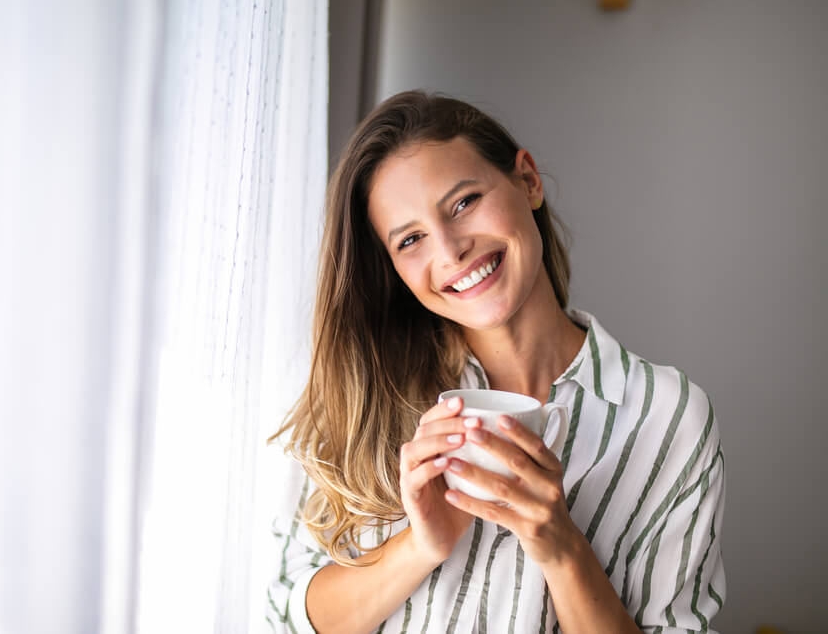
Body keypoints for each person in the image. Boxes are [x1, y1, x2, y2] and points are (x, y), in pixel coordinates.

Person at [266, 91, 725, 633]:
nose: (450, 250)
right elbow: (288, 616)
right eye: (411, 239)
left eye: (463, 203)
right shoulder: (360, 397)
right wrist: (419, 546)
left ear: (527, 180)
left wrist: (560, 546)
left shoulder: (667, 419)